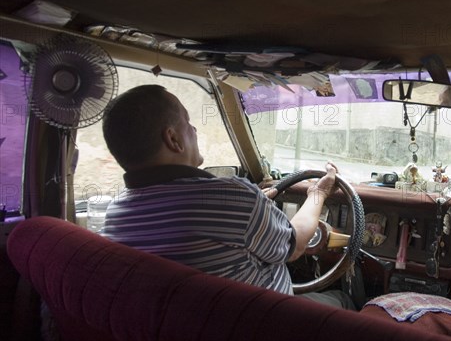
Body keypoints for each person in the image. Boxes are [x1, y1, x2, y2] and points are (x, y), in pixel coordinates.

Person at [101, 84, 353, 308]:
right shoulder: (233, 198)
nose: (194, 129)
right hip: (263, 326)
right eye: (187, 123)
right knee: (342, 300)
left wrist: (253, 205)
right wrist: (318, 193)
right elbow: (296, 245)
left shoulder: (115, 215)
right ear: (173, 138)